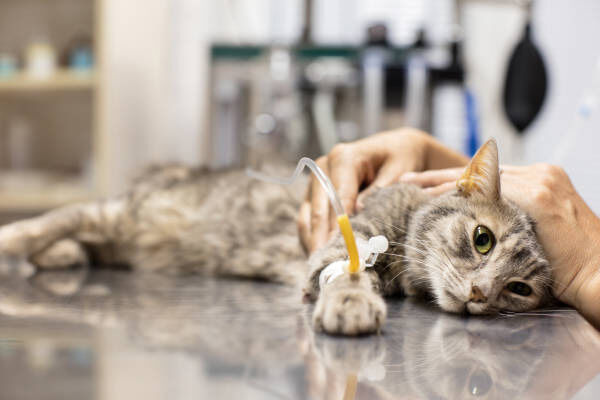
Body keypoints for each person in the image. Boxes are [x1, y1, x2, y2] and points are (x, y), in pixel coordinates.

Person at [298, 128, 600, 328]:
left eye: (519, 289)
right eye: (482, 241)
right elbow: (336, 257)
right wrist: (346, 287)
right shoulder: (401, 205)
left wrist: (591, 268)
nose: (482, 290)